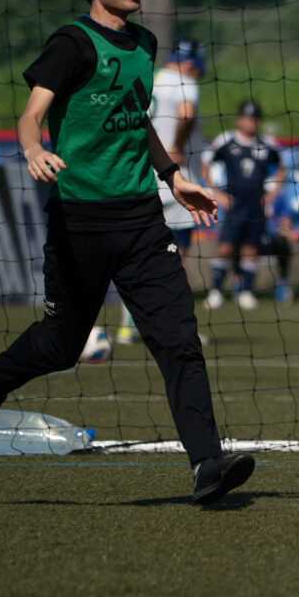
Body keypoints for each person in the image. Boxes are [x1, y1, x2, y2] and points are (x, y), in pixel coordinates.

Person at [0, 0, 254, 505]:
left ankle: (206, 465)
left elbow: (135, 118)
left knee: (179, 341)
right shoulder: (70, 44)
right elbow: (30, 115)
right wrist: (33, 149)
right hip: (79, 223)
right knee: (61, 347)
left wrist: (173, 175)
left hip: (142, 222)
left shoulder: (145, 42)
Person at [81, 37, 209, 359]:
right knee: (174, 261)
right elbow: (186, 113)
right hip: (176, 179)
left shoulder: (152, 77)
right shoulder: (186, 82)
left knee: (137, 258)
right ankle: (172, 327)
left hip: (143, 177)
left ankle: (128, 326)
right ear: (191, 63)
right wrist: (177, 145)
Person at [202, 101, 286, 311]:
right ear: (238, 120)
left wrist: (272, 194)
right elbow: (205, 163)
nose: (251, 122)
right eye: (247, 118)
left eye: (255, 118)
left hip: (256, 206)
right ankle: (216, 291)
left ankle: (246, 292)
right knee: (225, 247)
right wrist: (216, 193)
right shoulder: (226, 141)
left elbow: (282, 167)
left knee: (251, 249)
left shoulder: (267, 144)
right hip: (234, 206)